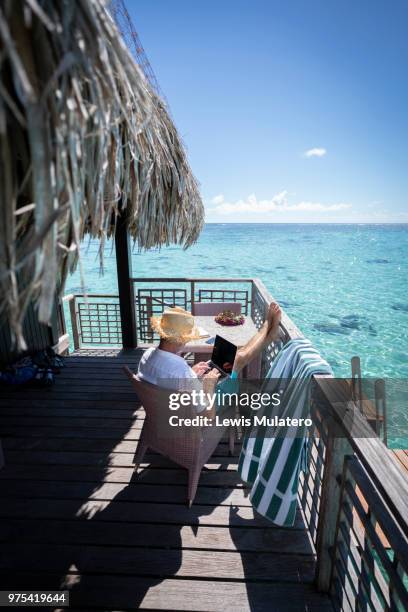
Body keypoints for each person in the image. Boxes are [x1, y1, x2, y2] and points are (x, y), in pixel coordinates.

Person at [137, 303, 282, 416]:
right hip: (192, 416)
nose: (187, 342)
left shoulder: (146, 356)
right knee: (238, 360)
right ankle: (267, 328)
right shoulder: (180, 370)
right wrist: (208, 386)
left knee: (235, 356)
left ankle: (268, 331)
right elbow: (208, 415)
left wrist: (192, 374)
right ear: (179, 339)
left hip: (169, 410)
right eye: (187, 338)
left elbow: (168, 378)